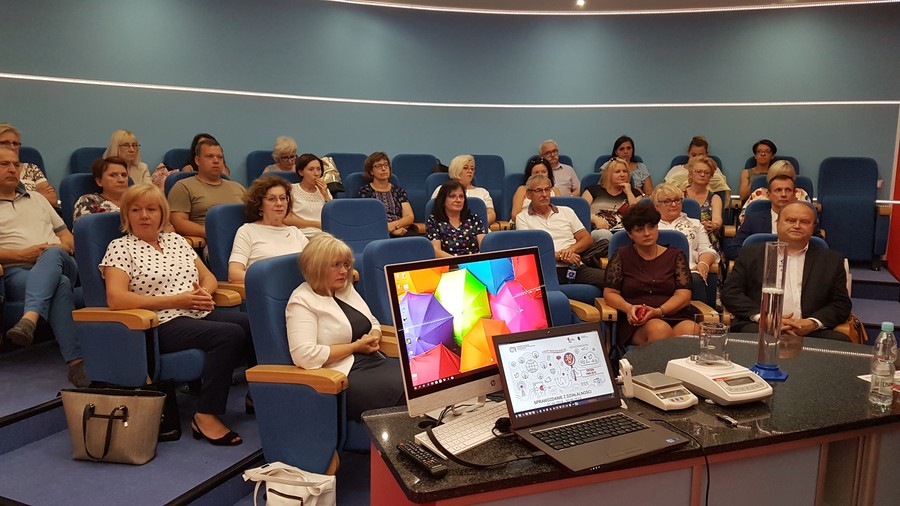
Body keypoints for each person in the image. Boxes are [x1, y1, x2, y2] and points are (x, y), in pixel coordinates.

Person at [101, 184, 253, 445]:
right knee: (228, 335)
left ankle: (258, 394)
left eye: (151, 209)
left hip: (195, 311)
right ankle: (205, 415)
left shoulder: (176, 241)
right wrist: (175, 300)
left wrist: (204, 292)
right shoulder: (120, 247)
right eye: (136, 210)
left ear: (162, 213)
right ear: (126, 215)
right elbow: (116, 298)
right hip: (158, 322)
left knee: (251, 324)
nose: (144, 215)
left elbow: (207, 276)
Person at [285, 233, 405, 421]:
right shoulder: (302, 301)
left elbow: (372, 321)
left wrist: (374, 335)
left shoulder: (345, 288)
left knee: (423, 380)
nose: (344, 271)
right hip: (342, 375)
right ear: (317, 266)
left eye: (347, 265)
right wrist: (355, 347)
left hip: (374, 361)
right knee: (406, 391)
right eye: (336, 265)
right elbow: (304, 355)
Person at [0, 147, 85, 386]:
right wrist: (21, 254)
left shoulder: (37, 198)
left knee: (53, 254)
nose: (12, 169)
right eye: (4, 164)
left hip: (62, 261)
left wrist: (62, 247)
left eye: (15, 164)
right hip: (16, 270)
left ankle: (29, 317)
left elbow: (66, 235)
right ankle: (77, 363)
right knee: (60, 284)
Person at [722, 201, 851, 342]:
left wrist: (813, 322)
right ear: (777, 224)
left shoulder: (831, 260)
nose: (797, 226)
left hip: (809, 332)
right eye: (790, 220)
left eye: (804, 222)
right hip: (759, 326)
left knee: (841, 341)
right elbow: (731, 293)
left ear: (813, 227)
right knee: (746, 336)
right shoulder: (751, 254)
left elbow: (841, 304)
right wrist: (763, 317)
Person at [603, 201, 697, 345]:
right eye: (639, 230)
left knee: (691, 329)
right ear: (630, 234)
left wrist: (659, 311)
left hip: (673, 314)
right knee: (660, 329)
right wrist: (628, 308)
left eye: (651, 227)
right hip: (637, 321)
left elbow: (683, 295)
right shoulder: (622, 255)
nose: (647, 233)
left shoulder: (675, 255)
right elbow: (610, 293)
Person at [515, 175, 605, 288]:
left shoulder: (566, 212)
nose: (544, 194)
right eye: (539, 190)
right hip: (546, 269)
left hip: (574, 265)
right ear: (529, 194)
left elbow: (587, 239)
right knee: (536, 288)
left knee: (611, 280)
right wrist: (559, 256)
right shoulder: (522, 218)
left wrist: (570, 250)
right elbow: (528, 249)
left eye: (547, 190)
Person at [228, 176, 309, 283]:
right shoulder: (247, 231)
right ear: (260, 205)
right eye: (271, 199)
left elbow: (315, 263)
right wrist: (273, 282)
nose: (279, 203)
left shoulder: (295, 232)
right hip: (267, 289)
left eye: (283, 198)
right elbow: (234, 274)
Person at [726, 174, 819, 261]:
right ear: (768, 194)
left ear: (795, 194)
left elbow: (819, 247)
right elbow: (733, 249)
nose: (783, 194)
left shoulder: (806, 220)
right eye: (778, 190)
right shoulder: (754, 220)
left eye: (788, 190)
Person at [653, 184, 719, 306]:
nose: (674, 204)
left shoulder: (695, 224)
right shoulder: (649, 226)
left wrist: (703, 264)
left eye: (677, 200)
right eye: (667, 201)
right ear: (656, 205)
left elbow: (707, 249)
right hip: (654, 272)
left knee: (695, 279)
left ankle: (699, 316)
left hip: (689, 270)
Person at [168, 138, 246, 239]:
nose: (216, 161)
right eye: (210, 156)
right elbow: (178, 222)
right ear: (197, 160)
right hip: (210, 241)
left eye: (220, 157)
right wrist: (214, 233)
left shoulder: (237, 187)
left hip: (245, 239)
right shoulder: (183, 187)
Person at [356, 152, 417, 236]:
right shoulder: (365, 191)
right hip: (375, 232)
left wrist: (393, 226)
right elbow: (366, 219)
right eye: (379, 166)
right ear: (371, 171)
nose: (383, 169)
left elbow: (409, 217)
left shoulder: (399, 191)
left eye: (386, 165)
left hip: (401, 229)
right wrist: (390, 231)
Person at [581, 157, 641, 243]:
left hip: (623, 231)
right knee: (605, 235)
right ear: (608, 174)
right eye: (617, 172)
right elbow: (581, 213)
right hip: (597, 230)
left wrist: (629, 192)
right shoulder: (592, 190)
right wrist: (595, 219)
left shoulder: (634, 193)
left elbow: (638, 215)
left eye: (625, 171)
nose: (622, 174)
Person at [0, 123, 58, 209]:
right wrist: (36, 197)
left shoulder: (31, 168)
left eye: (15, 143)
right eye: (5, 143)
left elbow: (52, 199)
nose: (12, 147)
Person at [429, 154, 496, 226]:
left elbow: (491, 214)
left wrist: (475, 226)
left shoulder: (483, 192)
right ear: (456, 170)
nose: (470, 171)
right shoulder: (441, 189)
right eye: (465, 168)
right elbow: (435, 212)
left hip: (479, 229)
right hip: (448, 229)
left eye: (472, 169)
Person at [426, 181, 488, 258]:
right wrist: (458, 262)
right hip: (448, 263)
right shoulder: (434, 221)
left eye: (461, 196)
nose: (458, 200)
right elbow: (436, 251)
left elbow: (484, 247)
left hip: (474, 262)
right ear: (443, 201)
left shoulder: (473, 219)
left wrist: (472, 261)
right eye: (452, 196)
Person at [738, 160, 811, 224]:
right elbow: (744, 219)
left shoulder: (801, 194)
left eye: (787, 177)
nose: (783, 194)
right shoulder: (758, 194)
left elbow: (810, 220)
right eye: (778, 177)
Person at [284, 153, 332, 238]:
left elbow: (333, 217)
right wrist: (316, 224)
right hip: (299, 234)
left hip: (323, 235)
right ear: (301, 172)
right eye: (311, 169)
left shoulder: (325, 191)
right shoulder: (291, 190)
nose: (316, 173)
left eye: (319, 169)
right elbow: (286, 219)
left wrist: (325, 196)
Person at [662, 136, 731, 194]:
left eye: (701, 155)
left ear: (706, 154)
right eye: (694, 155)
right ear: (688, 153)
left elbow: (723, 191)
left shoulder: (714, 170)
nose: (697, 158)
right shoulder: (676, 170)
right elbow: (664, 191)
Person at [682, 156, 724, 251]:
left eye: (706, 172)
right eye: (698, 171)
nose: (702, 175)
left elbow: (717, 220)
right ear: (690, 174)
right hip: (685, 237)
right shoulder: (680, 196)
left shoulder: (715, 198)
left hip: (707, 237)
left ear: (710, 176)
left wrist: (713, 225)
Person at [72, 157, 129, 224]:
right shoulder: (88, 201)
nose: (121, 180)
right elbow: (83, 229)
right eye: (113, 175)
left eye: (124, 175)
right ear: (99, 181)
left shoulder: (135, 200)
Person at [510, 156, 559, 224]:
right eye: (536, 173)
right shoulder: (522, 189)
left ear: (548, 173)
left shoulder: (555, 190)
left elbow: (559, 212)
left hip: (551, 223)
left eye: (543, 172)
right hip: (526, 223)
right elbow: (515, 215)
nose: (540, 175)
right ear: (530, 175)